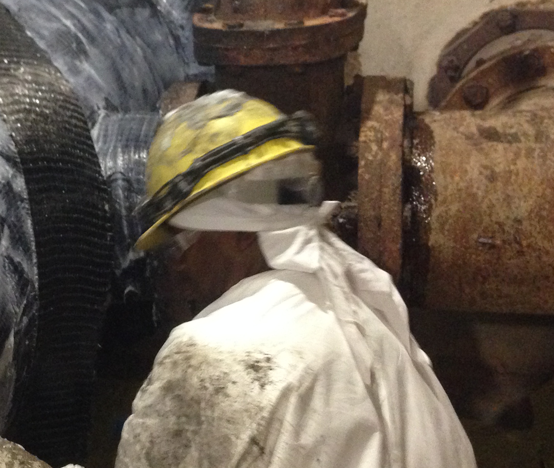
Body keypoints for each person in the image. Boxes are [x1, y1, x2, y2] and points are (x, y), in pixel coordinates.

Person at [115, 90, 477, 468]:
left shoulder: (213, 351)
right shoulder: (364, 300)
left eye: (181, 242)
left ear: (238, 234)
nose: (177, 265)